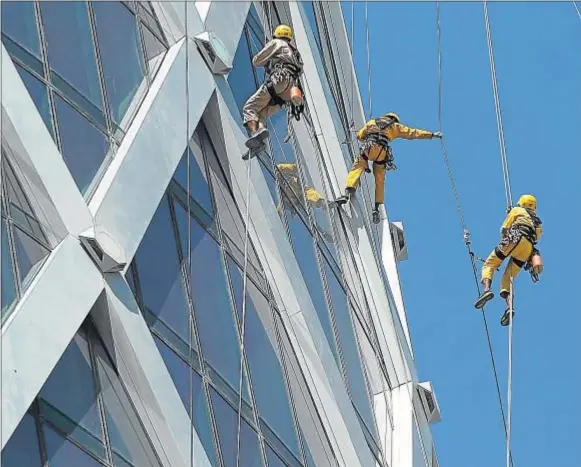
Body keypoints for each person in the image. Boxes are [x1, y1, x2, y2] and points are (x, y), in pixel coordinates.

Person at [334, 113, 441, 223]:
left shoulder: (372, 122)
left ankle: (347, 193)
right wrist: (431, 135)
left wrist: (366, 136)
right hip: (382, 152)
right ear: (395, 119)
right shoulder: (395, 127)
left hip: (369, 147)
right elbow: (413, 133)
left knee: (357, 168)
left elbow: (360, 136)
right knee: (380, 181)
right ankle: (376, 208)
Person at [474, 194, 543, 326]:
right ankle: (509, 307)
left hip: (515, 239)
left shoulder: (517, 210)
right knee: (507, 279)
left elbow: (504, 229)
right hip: (527, 250)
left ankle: (486, 290)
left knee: (489, 264)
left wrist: (510, 215)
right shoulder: (538, 223)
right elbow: (536, 237)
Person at [242, 25, 303, 150]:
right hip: (289, 89)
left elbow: (257, 61)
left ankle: (254, 134)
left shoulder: (277, 43)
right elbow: (298, 71)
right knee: (263, 112)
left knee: (250, 107)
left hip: (279, 80)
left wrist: (267, 62)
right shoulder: (295, 54)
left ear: (276, 34)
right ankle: (260, 134)